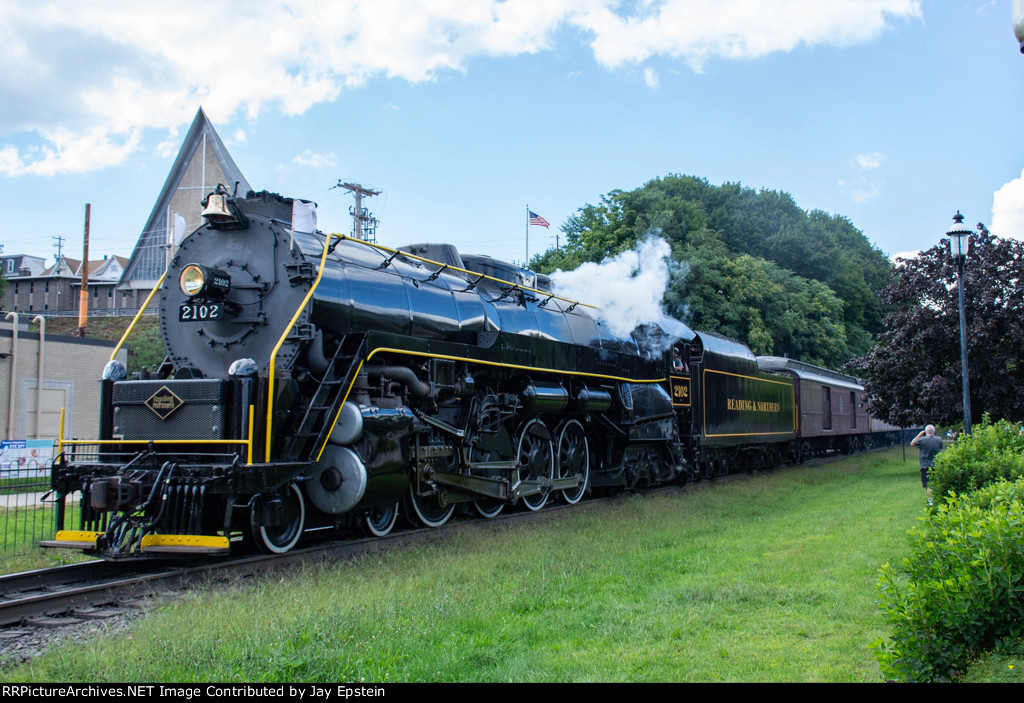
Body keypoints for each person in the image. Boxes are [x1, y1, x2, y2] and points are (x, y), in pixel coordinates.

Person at [911, 424, 944, 505]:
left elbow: (912, 443)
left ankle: (930, 502)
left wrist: (920, 435)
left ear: (926, 431)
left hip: (925, 466)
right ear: (934, 431)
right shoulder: (939, 440)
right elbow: (940, 447)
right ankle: (938, 499)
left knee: (928, 485)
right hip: (936, 465)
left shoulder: (922, 440)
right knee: (937, 483)